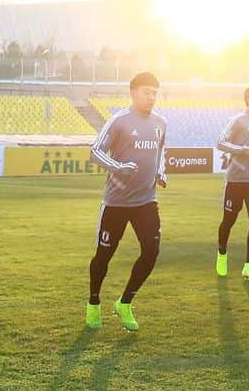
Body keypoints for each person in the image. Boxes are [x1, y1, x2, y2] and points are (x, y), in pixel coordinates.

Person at [86, 72, 167, 331]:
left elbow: (161, 151)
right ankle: (94, 303)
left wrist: (161, 171)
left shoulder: (160, 123)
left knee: (151, 251)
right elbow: (94, 151)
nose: (151, 97)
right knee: (104, 256)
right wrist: (118, 167)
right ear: (133, 93)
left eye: (154, 93)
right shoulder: (119, 120)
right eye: (146, 92)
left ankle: (125, 302)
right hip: (116, 203)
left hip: (146, 201)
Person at [215, 85, 249, 280]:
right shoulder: (237, 120)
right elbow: (220, 142)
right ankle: (222, 254)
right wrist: (242, 149)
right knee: (229, 221)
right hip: (235, 181)